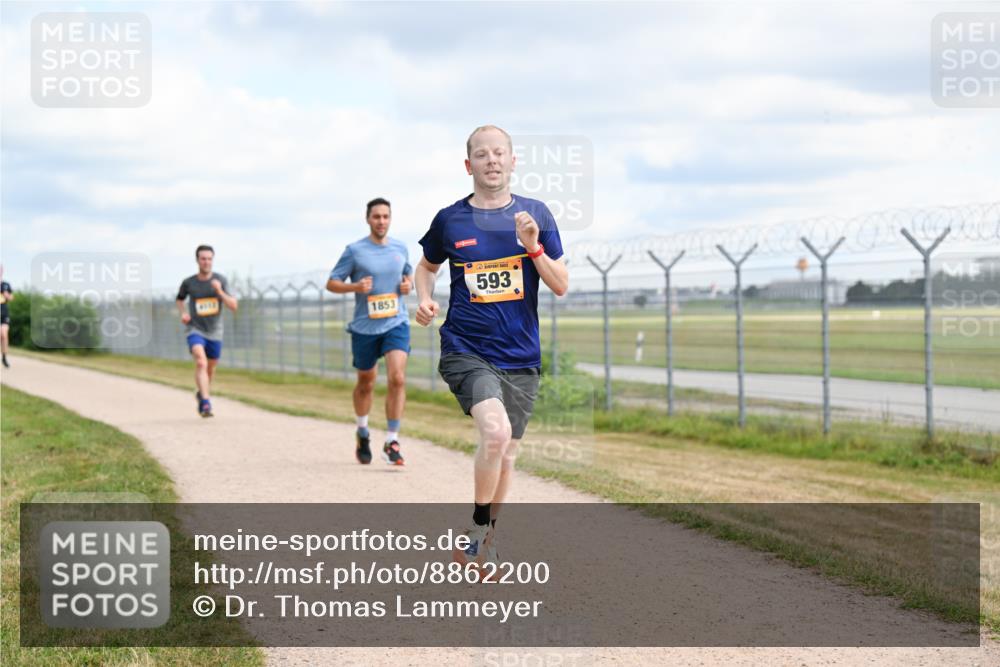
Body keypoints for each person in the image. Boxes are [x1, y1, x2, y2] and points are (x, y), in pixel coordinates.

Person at [414, 125, 569, 569]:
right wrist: (425, 298)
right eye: (481, 155)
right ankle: (478, 530)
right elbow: (426, 267)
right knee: (495, 433)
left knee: (507, 453)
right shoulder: (450, 220)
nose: (491, 161)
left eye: (499, 153)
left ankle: (486, 540)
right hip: (466, 348)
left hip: (521, 356)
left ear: (513, 160)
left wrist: (533, 247)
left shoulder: (535, 214)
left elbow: (560, 285)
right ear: (469, 166)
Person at [327, 198, 413, 466]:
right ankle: (363, 432)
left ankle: (392, 440)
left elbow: (407, 274)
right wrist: (355, 288)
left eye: (386, 216)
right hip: (365, 326)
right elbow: (331, 283)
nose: (381, 221)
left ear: (390, 219)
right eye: (376, 217)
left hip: (396, 321)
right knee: (366, 381)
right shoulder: (354, 250)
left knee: (397, 378)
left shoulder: (400, 248)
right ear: (368, 219)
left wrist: (408, 284)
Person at [176, 245, 238, 417]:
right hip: (195, 329)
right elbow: (180, 300)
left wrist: (218, 290)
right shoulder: (189, 283)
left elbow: (233, 305)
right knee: (201, 362)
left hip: (215, 331)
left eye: (209, 259)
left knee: (210, 369)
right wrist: (183, 313)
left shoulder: (221, 280)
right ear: (197, 260)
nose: (206, 262)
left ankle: (201, 393)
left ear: (213, 260)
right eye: (203, 258)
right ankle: (205, 403)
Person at [1, 266, 12, 368]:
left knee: (4, 334)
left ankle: (4, 357)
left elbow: (11, 297)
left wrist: (7, 295)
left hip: (4, 313)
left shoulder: (6, 285)